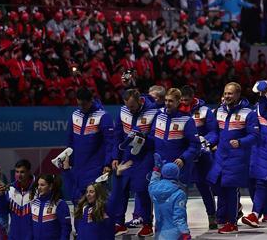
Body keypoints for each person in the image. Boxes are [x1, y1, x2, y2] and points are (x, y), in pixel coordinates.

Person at [205, 82, 260, 234]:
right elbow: (215, 132)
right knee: (216, 185)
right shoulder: (219, 111)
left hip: (238, 157)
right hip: (220, 156)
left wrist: (240, 142)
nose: (227, 96)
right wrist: (208, 142)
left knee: (231, 189)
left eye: (230, 93)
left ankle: (232, 222)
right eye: (225, 93)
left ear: (237, 94)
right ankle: (227, 214)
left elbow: (255, 136)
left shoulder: (249, 113)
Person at [110, 89, 160, 236]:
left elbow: (156, 139)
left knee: (142, 190)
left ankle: (147, 224)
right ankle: (119, 223)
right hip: (126, 156)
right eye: (127, 106)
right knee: (121, 189)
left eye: (132, 106)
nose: (130, 109)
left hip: (145, 156)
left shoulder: (154, 112)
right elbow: (117, 137)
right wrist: (115, 157)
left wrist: (143, 138)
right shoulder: (123, 111)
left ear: (140, 101)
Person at [243, 79, 267, 229]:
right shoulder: (258, 105)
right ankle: (265, 213)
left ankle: (259, 213)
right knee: (255, 182)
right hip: (258, 148)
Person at [65, 88, 115, 200]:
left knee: (96, 203)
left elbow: (110, 143)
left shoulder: (103, 116)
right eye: (79, 104)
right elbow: (70, 140)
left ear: (91, 100)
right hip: (78, 167)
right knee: (78, 202)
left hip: (96, 167)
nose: (81, 107)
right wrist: (69, 160)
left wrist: (107, 163)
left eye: (84, 104)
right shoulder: (74, 115)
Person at [179, 86, 216, 229]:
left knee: (205, 186)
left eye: (186, 100)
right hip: (184, 155)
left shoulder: (205, 111)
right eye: (181, 100)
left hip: (202, 156)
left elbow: (213, 132)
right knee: (180, 189)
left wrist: (204, 141)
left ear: (193, 98)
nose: (183, 102)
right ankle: (179, 220)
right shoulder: (176, 110)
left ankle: (212, 216)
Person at [152, 88, 200, 186]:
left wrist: (183, 158)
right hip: (158, 166)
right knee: (158, 198)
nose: (167, 103)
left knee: (176, 199)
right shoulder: (159, 114)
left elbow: (195, 144)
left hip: (177, 168)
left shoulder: (186, 120)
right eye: (166, 100)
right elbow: (152, 136)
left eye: (170, 101)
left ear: (178, 102)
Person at [149, 161, 191, 240]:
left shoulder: (153, 189)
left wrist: (156, 170)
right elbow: (179, 216)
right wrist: (185, 232)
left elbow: (153, 181)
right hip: (175, 233)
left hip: (159, 232)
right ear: (177, 174)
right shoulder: (179, 193)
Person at [0, 159, 34, 240]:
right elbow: (3, 212)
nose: (19, 175)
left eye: (22, 172)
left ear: (29, 172)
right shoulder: (10, 189)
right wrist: (1, 196)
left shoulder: (37, 190)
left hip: (32, 237)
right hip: (14, 236)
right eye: (17, 172)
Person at [30, 174, 70, 240]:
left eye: (42, 185)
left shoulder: (60, 204)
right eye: (38, 185)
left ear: (50, 186)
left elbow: (66, 228)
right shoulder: (34, 203)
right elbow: (30, 227)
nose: (39, 187)